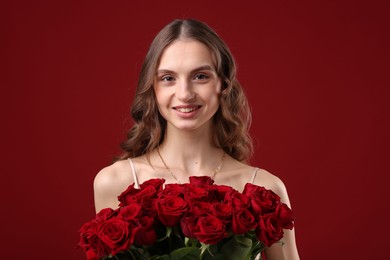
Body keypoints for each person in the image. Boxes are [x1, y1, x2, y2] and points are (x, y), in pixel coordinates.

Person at [93, 19, 299, 259]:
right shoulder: (114, 182)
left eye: (200, 76)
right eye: (168, 78)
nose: (185, 94)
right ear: (153, 88)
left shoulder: (266, 189)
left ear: (223, 84)